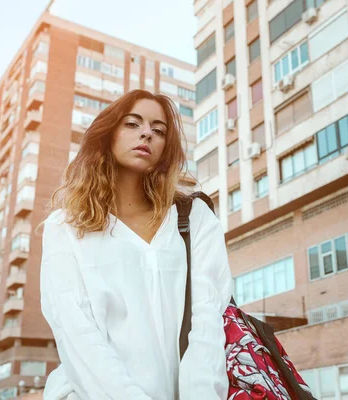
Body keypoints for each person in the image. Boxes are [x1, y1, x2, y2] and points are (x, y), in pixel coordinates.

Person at [39, 90, 233, 400]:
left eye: (159, 130)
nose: (147, 133)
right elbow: (76, 333)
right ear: (108, 134)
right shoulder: (64, 227)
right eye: (132, 124)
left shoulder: (194, 218)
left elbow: (207, 322)